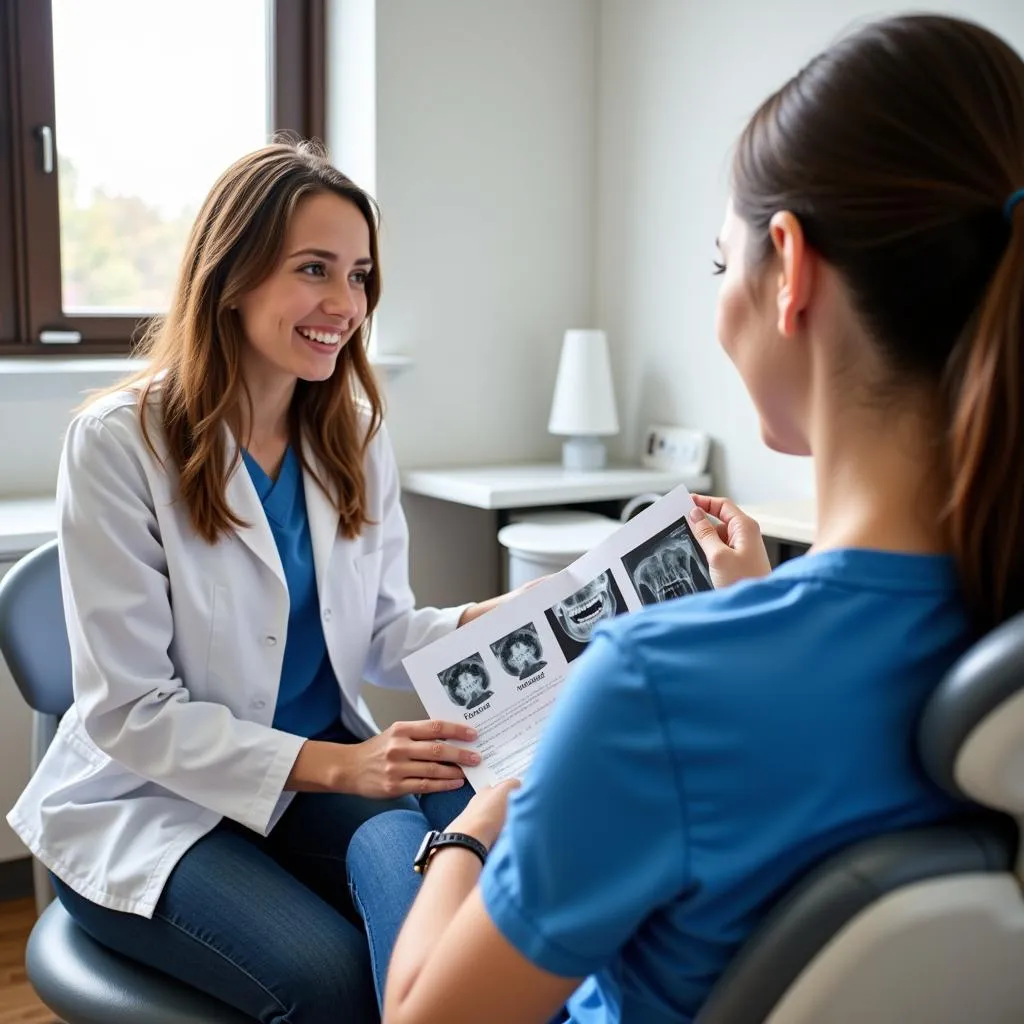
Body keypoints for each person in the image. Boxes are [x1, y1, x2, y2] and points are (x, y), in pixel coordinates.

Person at [345, 14, 1024, 1023]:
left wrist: (493, 816)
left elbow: (423, 1020)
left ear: (788, 268)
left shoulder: (654, 685)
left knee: (386, 839)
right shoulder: (993, 627)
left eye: (720, 264)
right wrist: (759, 604)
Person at [5, 141, 514, 1024]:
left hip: (306, 787)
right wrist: (345, 767)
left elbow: (387, 634)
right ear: (232, 275)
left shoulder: (351, 432)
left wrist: (514, 612)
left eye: (358, 276)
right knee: (326, 979)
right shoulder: (119, 444)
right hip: (151, 806)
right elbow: (130, 712)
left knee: (451, 902)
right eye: (314, 269)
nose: (344, 304)